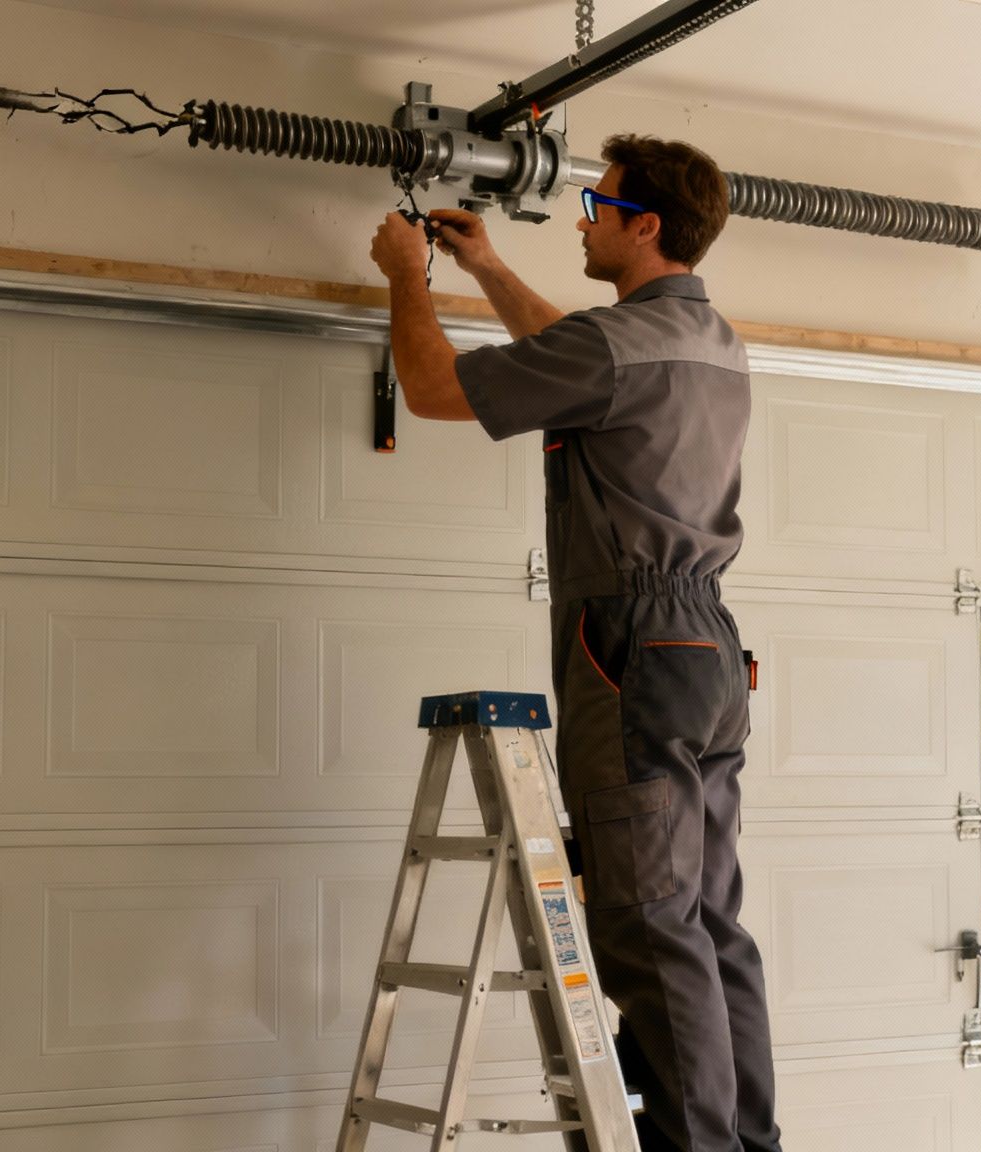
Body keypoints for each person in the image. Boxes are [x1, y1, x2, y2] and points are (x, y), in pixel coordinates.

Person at [368, 134, 780, 1152]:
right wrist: (489, 270)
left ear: (644, 225)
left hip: (631, 648)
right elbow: (577, 359)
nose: (583, 219)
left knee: (646, 926)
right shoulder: (708, 341)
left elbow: (431, 390)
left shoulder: (612, 346)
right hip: (708, 651)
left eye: (597, 207)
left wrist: (404, 280)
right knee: (708, 924)